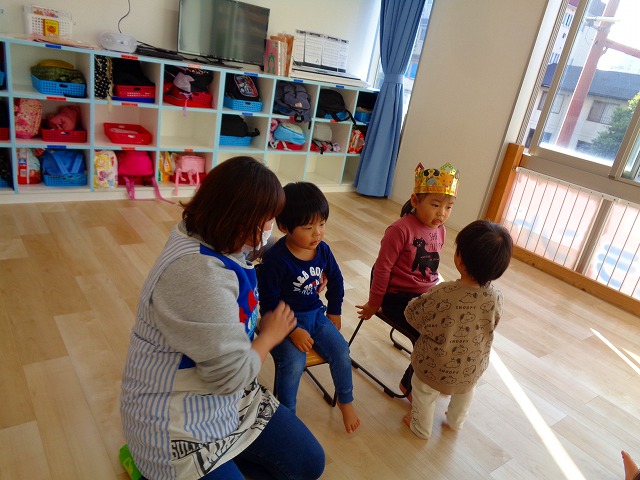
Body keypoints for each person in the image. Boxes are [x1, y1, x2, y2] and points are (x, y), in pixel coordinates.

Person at [120, 157, 325, 480]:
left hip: (230, 402)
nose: (270, 228)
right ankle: (152, 472)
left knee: (309, 463)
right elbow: (230, 377)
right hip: (176, 421)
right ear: (240, 222)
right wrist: (268, 336)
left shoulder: (216, 235)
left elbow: (271, 250)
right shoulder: (197, 274)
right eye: (267, 220)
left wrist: (306, 266)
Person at [258, 181, 361, 434]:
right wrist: (293, 331)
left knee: (341, 350)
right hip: (284, 322)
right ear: (285, 227)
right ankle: (287, 417)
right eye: (308, 227)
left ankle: (345, 401)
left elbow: (336, 280)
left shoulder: (322, 250)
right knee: (294, 361)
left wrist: (334, 310)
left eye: (322, 224)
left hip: (315, 315)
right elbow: (269, 301)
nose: (317, 233)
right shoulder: (276, 259)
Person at [356, 162, 459, 399]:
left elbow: (430, 270)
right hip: (397, 298)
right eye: (435, 205)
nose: (442, 213)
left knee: (450, 328)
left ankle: (434, 375)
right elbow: (382, 268)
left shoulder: (440, 229)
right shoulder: (399, 230)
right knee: (428, 336)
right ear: (415, 201)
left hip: (425, 296)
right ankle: (409, 384)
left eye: (448, 207)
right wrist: (374, 303)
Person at [402, 220, 513, 439]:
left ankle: (420, 427)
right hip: (471, 367)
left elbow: (412, 316)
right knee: (465, 392)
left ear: (459, 259)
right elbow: (492, 324)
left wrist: (413, 303)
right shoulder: (496, 297)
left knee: (423, 391)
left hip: (433, 365)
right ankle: (455, 421)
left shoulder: (442, 292)